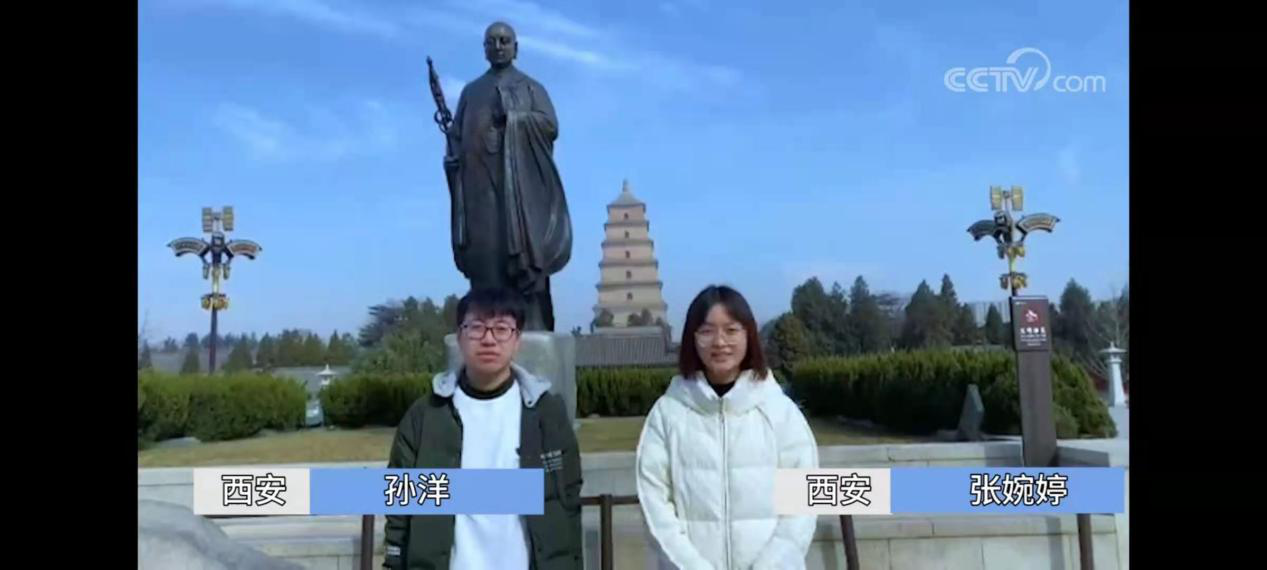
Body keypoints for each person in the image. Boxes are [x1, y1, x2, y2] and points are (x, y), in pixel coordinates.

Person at [383, 288, 582, 570]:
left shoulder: (546, 415)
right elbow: (399, 511)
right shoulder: (425, 417)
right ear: (459, 336)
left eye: (501, 329)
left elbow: (568, 504)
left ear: (517, 340)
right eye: (476, 327)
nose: (489, 339)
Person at [636, 285, 819, 569]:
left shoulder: (780, 412)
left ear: (749, 335)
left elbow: (802, 506)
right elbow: (655, 506)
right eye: (706, 331)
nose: (719, 342)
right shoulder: (668, 413)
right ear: (692, 338)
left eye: (731, 330)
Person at [442, 21, 572, 332]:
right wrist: (453, 158)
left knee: (525, 263)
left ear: (516, 47)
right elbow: (457, 137)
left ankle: (532, 324)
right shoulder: (471, 92)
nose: (498, 46)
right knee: (484, 261)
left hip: (520, 195)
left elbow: (549, 126)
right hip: (479, 193)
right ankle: (486, 325)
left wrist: (514, 118)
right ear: (484, 49)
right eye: (491, 41)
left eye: (504, 40)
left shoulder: (531, 88)